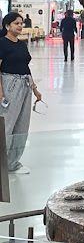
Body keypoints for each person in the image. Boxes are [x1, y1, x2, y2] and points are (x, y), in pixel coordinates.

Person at [0, 10, 43, 172]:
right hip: (9, 84)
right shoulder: (2, 43)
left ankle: (13, 162)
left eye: (21, 23)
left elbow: (25, 67)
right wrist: (1, 93)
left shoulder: (21, 44)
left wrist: (35, 89)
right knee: (7, 125)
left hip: (25, 85)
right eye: (16, 23)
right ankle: (2, 163)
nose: (20, 26)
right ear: (7, 26)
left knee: (21, 125)